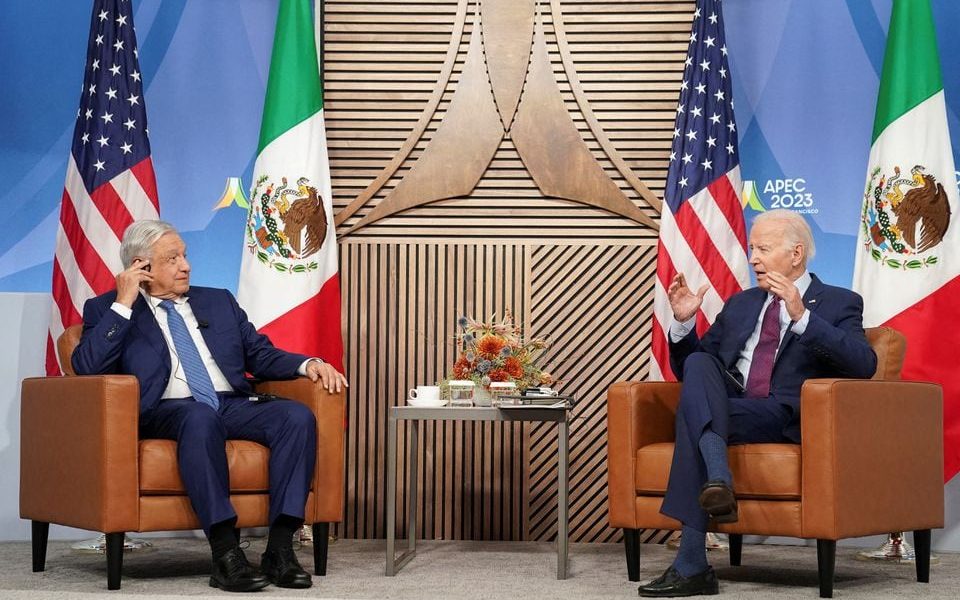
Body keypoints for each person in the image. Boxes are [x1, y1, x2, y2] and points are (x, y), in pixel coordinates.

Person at [72, 220, 347, 592]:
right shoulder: (107, 309)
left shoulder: (217, 301)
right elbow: (87, 367)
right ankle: (225, 552)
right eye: (173, 259)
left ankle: (280, 550)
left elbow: (259, 354)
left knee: (295, 416)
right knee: (200, 417)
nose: (186, 265)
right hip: (165, 410)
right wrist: (123, 303)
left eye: (184, 255)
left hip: (230, 401)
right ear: (142, 266)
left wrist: (308, 364)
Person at [638, 209, 877, 597]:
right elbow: (695, 373)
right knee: (700, 362)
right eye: (752, 249)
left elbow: (864, 365)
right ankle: (717, 479)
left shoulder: (838, 302)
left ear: (796, 253)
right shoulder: (742, 303)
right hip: (732, 407)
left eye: (763, 249)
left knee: (693, 417)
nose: (753, 259)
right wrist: (683, 326)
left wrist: (802, 317)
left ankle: (693, 562)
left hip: (783, 413)